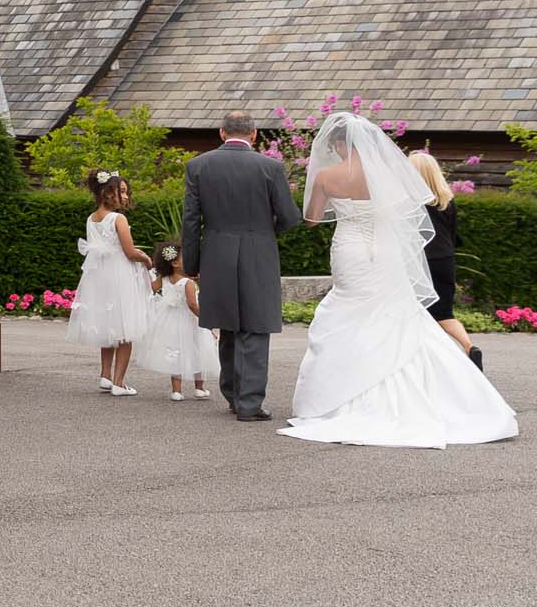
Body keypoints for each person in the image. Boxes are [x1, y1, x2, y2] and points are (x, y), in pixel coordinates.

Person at [279, 114, 516, 449]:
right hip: (387, 253)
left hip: (350, 250)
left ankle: (344, 393)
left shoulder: (327, 176)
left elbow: (313, 220)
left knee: (347, 310)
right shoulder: (389, 174)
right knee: (393, 310)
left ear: (336, 144)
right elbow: (409, 215)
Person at [180, 112, 302, 421]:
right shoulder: (270, 167)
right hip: (258, 251)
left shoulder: (198, 166)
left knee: (229, 325)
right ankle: (249, 403)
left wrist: (192, 264)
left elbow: (191, 222)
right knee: (256, 327)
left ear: (222, 133)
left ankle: (233, 395)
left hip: (217, 253)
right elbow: (289, 216)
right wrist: (264, 230)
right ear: (255, 134)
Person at [66, 170, 151, 397]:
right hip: (119, 274)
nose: (125, 196)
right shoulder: (118, 219)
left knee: (109, 326)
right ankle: (119, 383)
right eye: (121, 191)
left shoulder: (91, 219)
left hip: (99, 276)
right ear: (108, 192)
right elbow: (130, 251)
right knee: (125, 329)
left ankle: (105, 375)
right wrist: (147, 258)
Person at [407, 148, 481, 369]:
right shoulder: (447, 200)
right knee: (444, 312)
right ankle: (469, 346)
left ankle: (418, 359)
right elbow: (452, 233)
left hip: (420, 261)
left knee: (414, 310)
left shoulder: (409, 202)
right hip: (445, 259)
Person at [134, 243, 214, 402]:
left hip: (169, 321)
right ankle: (199, 388)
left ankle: (176, 391)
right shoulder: (188, 283)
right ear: (175, 263)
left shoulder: (164, 279)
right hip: (190, 322)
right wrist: (205, 320)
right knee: (198, 350)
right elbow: (192, 305)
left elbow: (150, 288)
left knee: (175, 352)